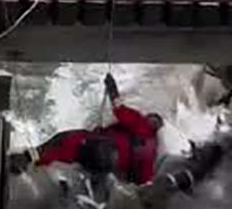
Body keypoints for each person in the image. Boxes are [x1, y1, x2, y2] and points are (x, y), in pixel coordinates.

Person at [9, 73, 164, 186]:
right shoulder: (149, 166)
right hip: (106, 169)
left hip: (97, 147)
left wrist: (112, 87)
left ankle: (27, 160)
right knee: (80, 172)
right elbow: (140, 183)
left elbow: (119, 109)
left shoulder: (141, 124)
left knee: (63, 141)